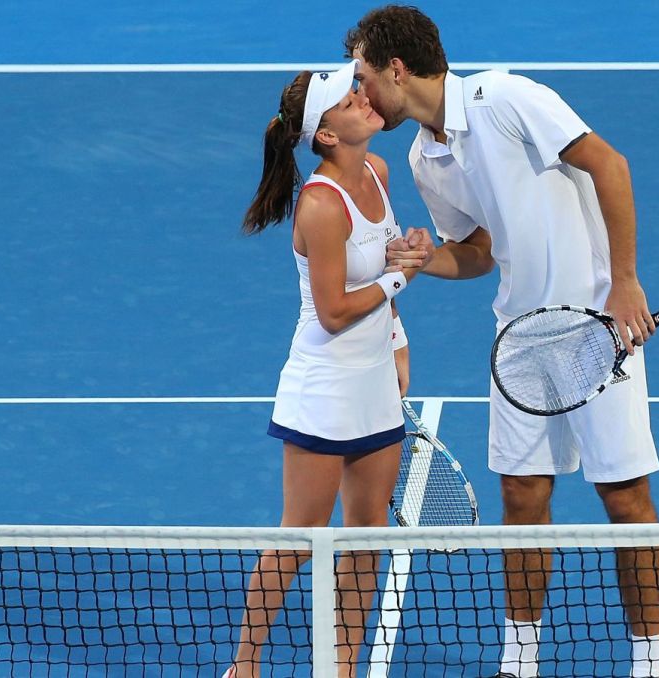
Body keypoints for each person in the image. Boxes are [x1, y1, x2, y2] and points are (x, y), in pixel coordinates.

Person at [344, 7, 659, 677]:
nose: (360, 94)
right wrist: (425, 258)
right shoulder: (422, 157)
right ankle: (519, 661)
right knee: (522, 497)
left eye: (364, 77)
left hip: (597, 331)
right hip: (519, 340)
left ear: (397, 71)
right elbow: (480, 252)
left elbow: (610, 165)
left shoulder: (509, 98)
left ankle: (648, 662)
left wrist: (625, 282)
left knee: (624, 497)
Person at [224, 59, 418, 678]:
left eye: (359, 88)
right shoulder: (320, 206)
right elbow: (334, 311)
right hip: (324, 387)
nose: (365, 97)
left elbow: (385, 271)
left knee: (365, 537)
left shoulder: (381, 175)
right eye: (349, 98)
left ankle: (340, 669)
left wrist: (397, 342)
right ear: (327, 135)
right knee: (300, 537)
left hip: (374, 387)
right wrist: (399, 278)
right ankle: (245, 664)